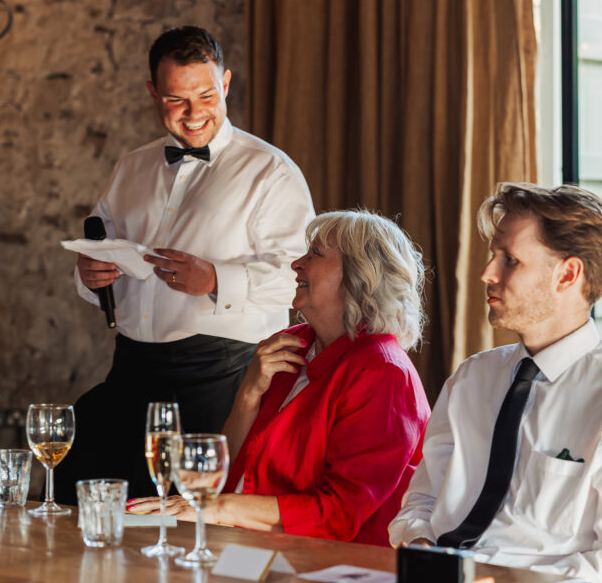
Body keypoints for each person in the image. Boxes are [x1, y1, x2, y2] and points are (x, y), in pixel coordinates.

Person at [389, 183, 602, 583]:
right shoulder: (472, 379)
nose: (486, 273)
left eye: (509, 260)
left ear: (567, 275)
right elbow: (421, 501)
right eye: (492, 255)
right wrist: (422, 545)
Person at [59, 25, 315, 503]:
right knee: (85, 487)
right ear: (153, 93)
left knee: (190, 525)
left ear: (226, 83)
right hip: (132, 371)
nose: (194, 113)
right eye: (177, 99)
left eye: (206, 94)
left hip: (224, 377)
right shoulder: (131, 168)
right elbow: (99, 246)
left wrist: (217, 279)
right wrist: (90, 276)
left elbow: (298, 279)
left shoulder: (271, 172)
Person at [128, 210, 430, 546]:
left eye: (315, 254)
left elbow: (339, 514)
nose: (296, 264)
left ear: (361, 276)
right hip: (249, 550)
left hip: (334, 572)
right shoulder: (291, 345)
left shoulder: (384, 372)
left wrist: (216, 508)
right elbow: (228, 475)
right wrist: (247, 396)